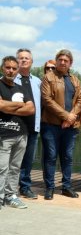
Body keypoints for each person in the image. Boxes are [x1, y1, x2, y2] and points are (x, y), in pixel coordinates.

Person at [41, 49, 81, 200]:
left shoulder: (75, 79)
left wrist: (71, 118)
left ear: (70, 63)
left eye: (66, 60)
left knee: (67, 157)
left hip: (70, 127)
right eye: (60, 60)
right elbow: (47, 100)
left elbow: (80, 99)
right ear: (56, 61)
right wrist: (66, 115)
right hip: (51, 125)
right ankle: (50, 187)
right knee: (51, 157)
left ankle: (66, 186)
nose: (63, 62)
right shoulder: (48, 77)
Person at [0, 56, 35, 209]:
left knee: (15, 168)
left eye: (14, 68)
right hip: (3, 134)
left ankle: (11, 196)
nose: (11, 71)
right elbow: (0, 106)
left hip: (21, 134)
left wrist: (9, 106)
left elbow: (31, 109)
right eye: (8, 67)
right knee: (2, 167)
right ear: (3, 68)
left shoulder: (21, 88)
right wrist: (19, 105)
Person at [15, 49, 42, 200]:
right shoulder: (10, 79)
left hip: (33, 127)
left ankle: (25, 187)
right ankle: (8, 189)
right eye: (21, 58)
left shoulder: (37, 81)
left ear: (31, 62)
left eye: (27, 58)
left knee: (28, 160)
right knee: (12, 159)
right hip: (14, 127)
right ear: (16, 60)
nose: (24, 60)